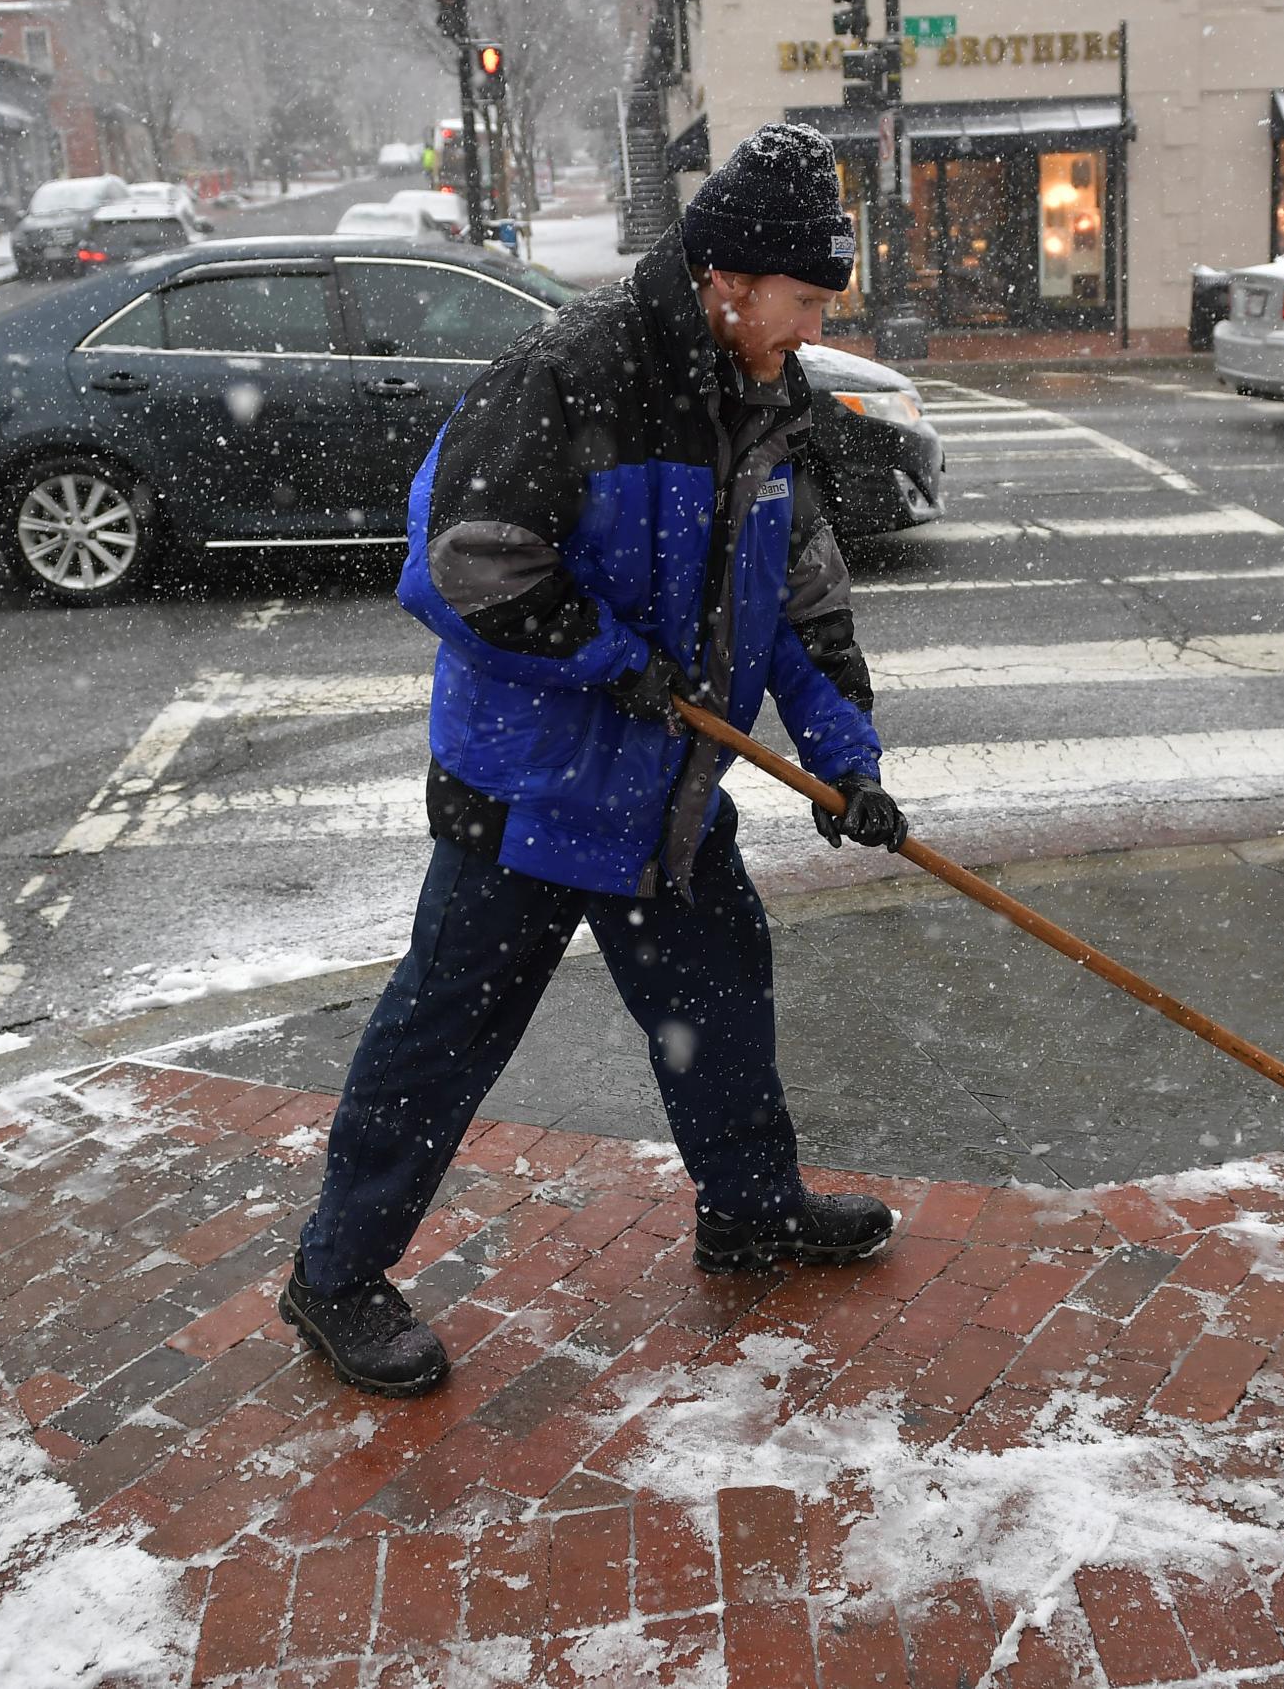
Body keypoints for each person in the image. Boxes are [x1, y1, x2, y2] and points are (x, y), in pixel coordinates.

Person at [280, 123, 905, 1398]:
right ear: (729, 280)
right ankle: (334, 1275)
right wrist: (613, 661)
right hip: (526, 793)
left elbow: (803, 607)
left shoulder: (770, 404)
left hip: (666, 796)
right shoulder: (572, 376)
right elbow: (462, 564)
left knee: (719, 997)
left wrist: (851, 764)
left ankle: (749, 1212)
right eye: (799, 302)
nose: (807, 327)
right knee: (443, 1038)